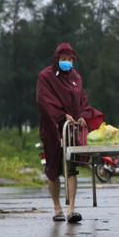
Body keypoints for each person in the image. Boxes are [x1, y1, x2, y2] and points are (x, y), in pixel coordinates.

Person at [36, 42, 92, 223]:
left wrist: (83, 115)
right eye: (63, 59)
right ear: (57, 59)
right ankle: (57, 207)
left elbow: (82, 99)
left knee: (71, 168)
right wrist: (61, 115)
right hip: (53, 129)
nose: (67, 62)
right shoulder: (46, 76)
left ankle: (71, 209)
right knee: (53, 170)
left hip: (72, 129)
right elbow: (44, 100)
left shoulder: (76, 77)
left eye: (70, 59)